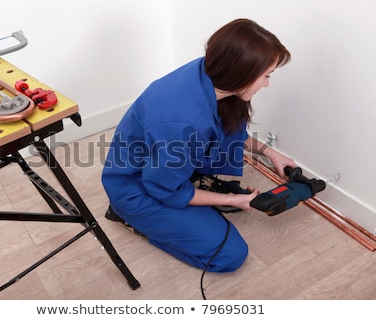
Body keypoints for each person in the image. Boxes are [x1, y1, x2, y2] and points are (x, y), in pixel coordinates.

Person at [101, 18, 297, 273]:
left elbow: (226, 130)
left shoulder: (210, 76)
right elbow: (166, 190)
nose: (267, 83)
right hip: (137, 190)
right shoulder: (183, 123)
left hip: (161, 167)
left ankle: (194, 187)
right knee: (231, 256)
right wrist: (234, 199)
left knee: (216, 198)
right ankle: (128, 217)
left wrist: (270, 153)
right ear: (242, 72)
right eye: (266, 75)